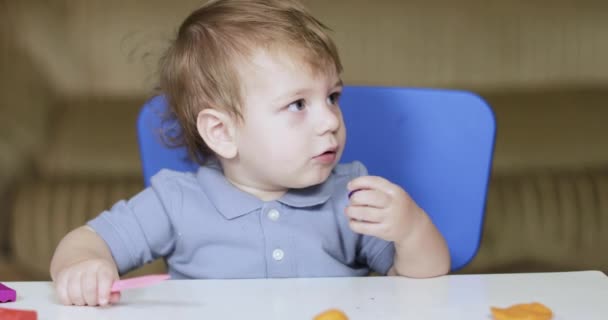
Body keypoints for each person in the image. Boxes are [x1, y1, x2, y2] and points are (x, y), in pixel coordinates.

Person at [49, 0, 450, 307]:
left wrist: (411, 229)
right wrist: (84, 267)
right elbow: (84, 242)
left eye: (332, 97)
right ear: (222, 133)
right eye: (298, 104)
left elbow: (421, 285)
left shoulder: (350, 194)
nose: (330, 120)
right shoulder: (176, 201)